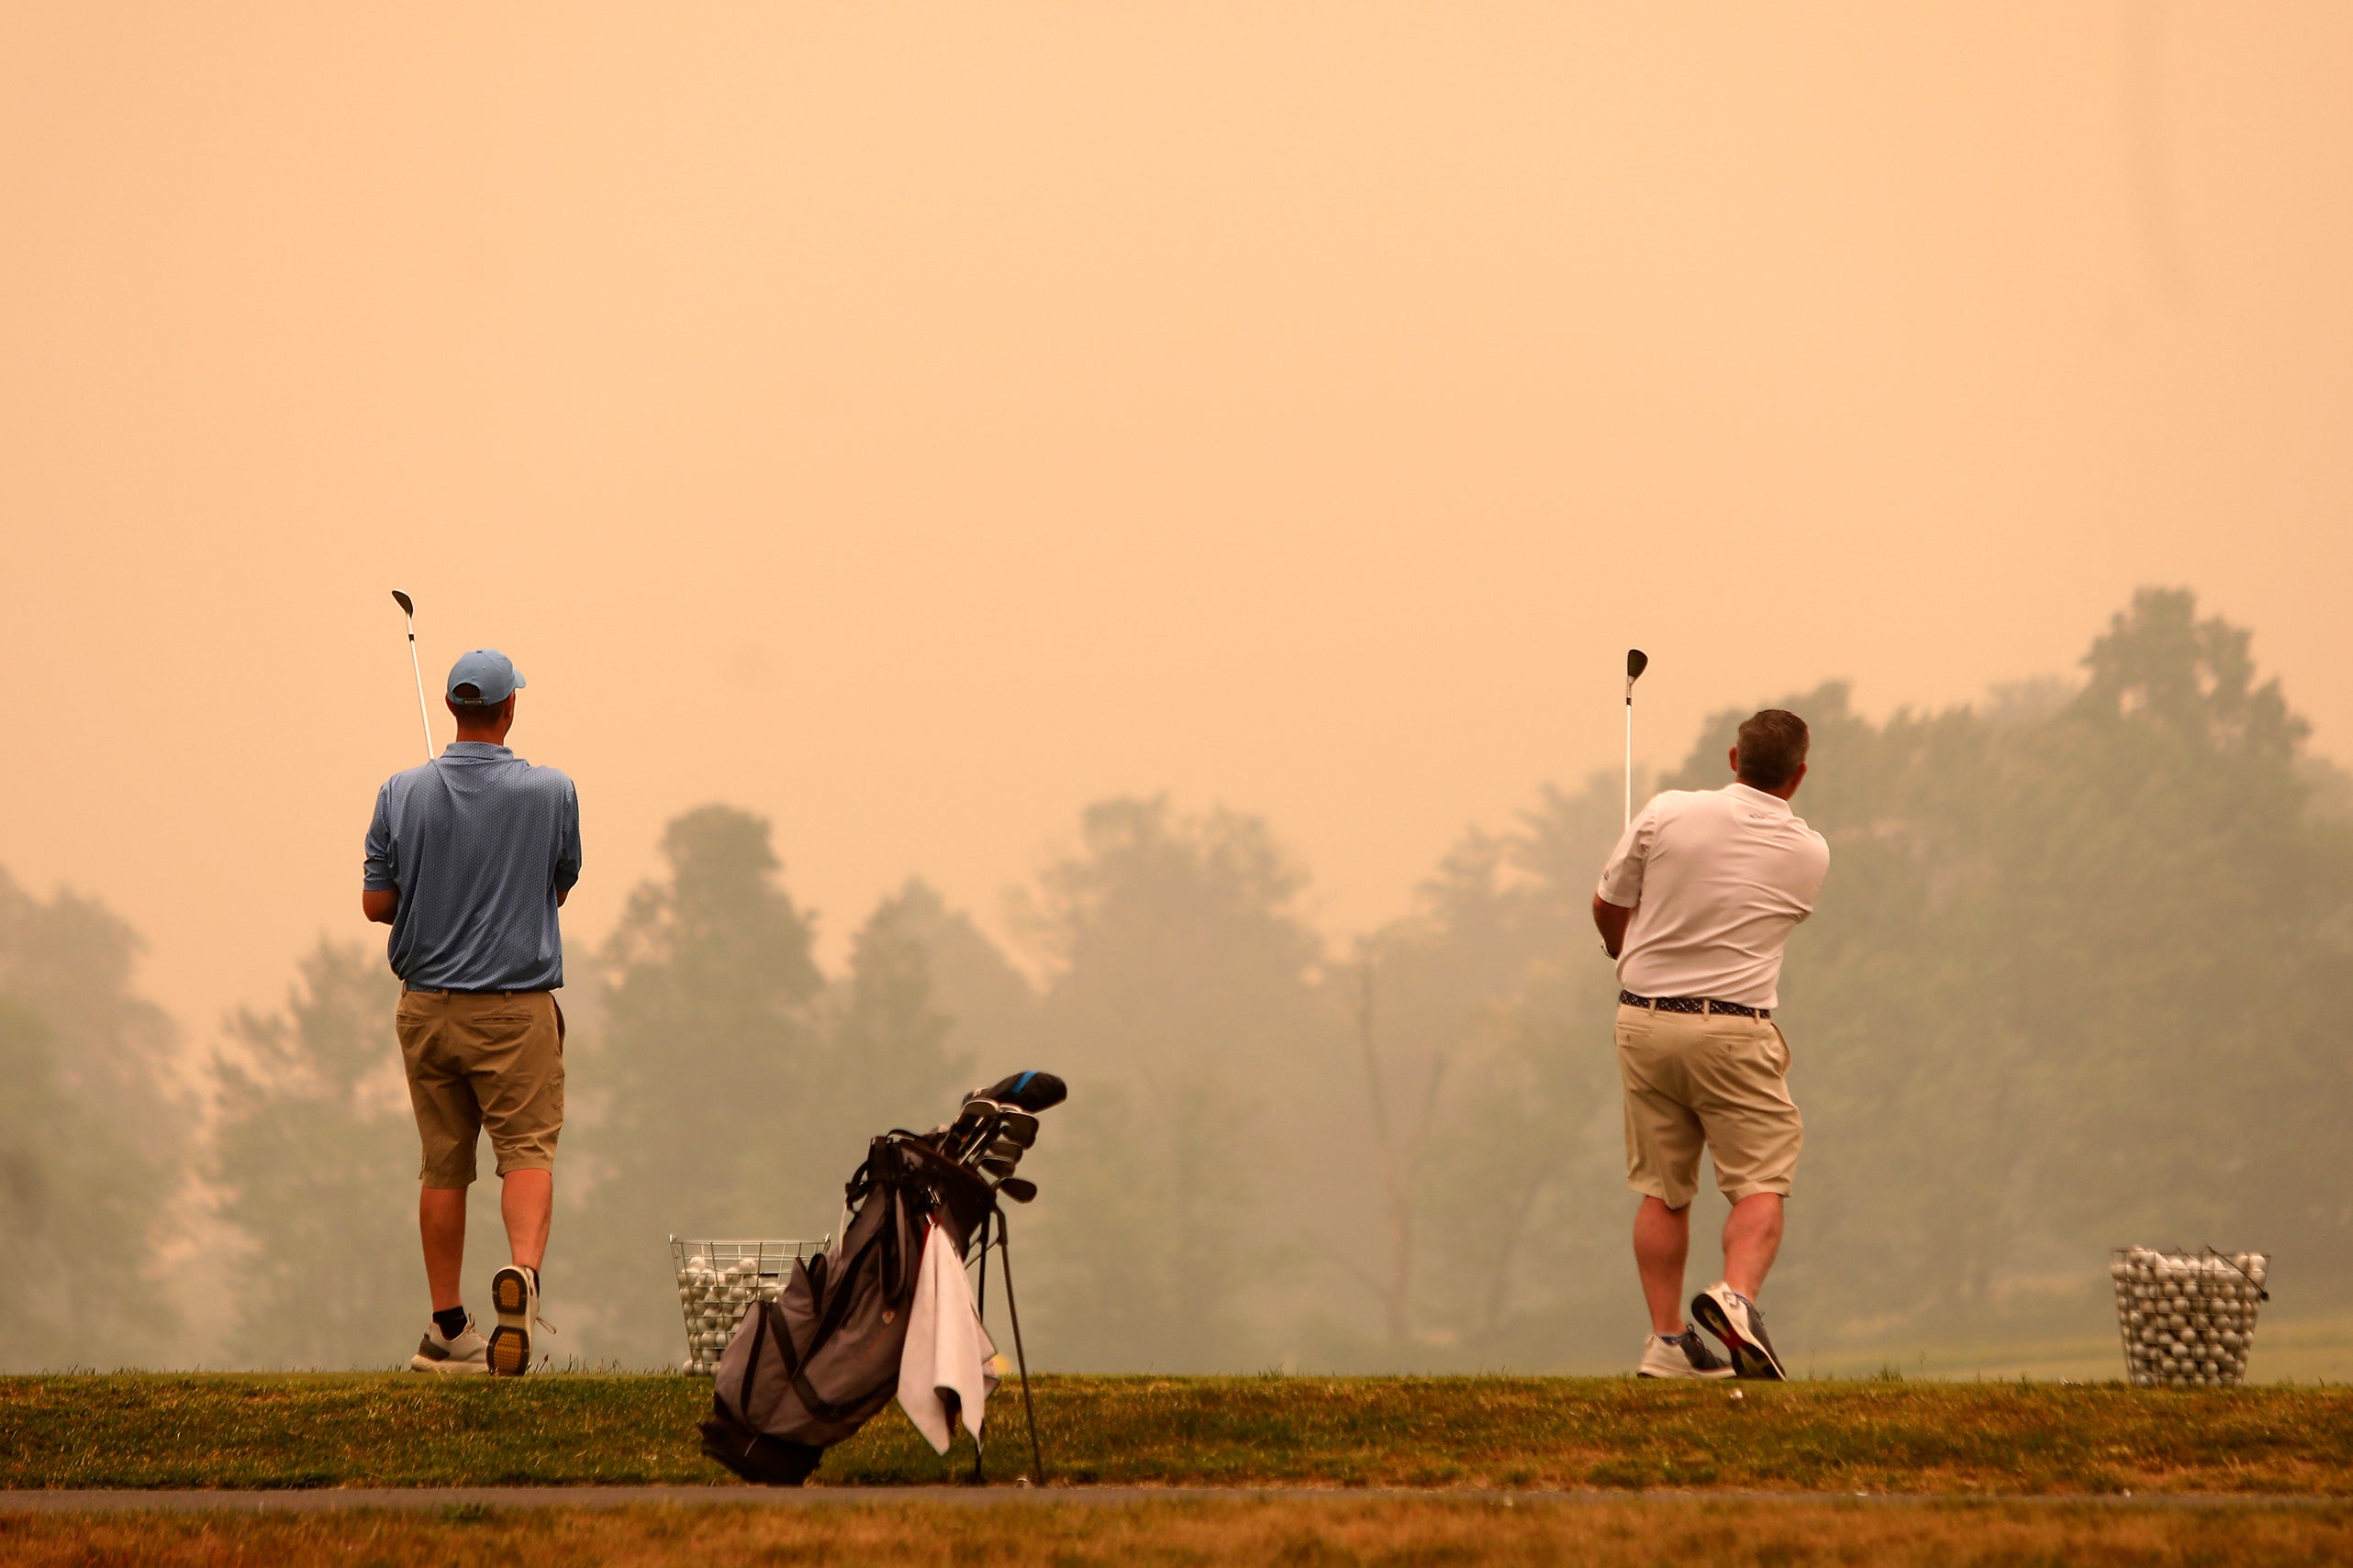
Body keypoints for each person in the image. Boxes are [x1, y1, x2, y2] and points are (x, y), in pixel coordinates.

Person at [362, 649, 581, 1375]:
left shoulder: (400, 791)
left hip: (427, 1010)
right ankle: (522, 1272)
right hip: (515, 1012)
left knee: (443, 1167)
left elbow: (377, 903)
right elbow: (559, 883)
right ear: (510, 707)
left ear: (454, 708)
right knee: (526, 1152)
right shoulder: (553, 790)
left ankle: (448, 1326)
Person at [1592, 709, 1828, 1380]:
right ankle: (1737, 1295)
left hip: (1642, 1022)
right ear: (1798, 774)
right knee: (1760, 1180)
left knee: (1661, 1188)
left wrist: (1621, 945)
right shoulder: (1810, 851)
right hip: (1732, 1029)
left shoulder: (1666, 810)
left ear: (1733, 758)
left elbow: (1608, 905)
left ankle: (1668, 1342)